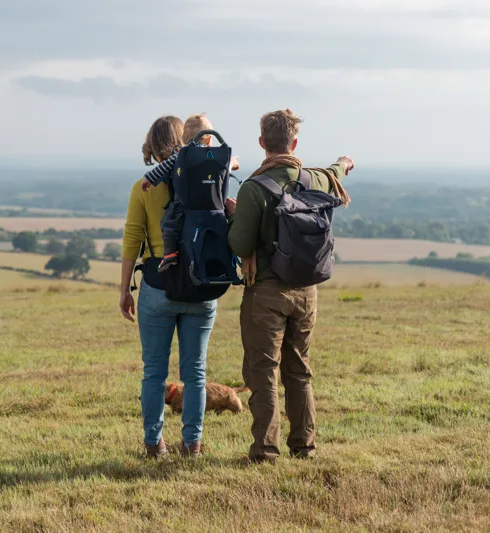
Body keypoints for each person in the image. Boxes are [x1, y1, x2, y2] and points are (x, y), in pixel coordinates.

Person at [226, 109, 354, 464]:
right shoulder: (314, 180)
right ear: (294, 142)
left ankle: (266, 451)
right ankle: (304, 447)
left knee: (263, 371)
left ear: (262, 143)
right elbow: (334, 174)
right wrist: (344, 163)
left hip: (266, 292)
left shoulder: (254, 188)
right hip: (307, 291)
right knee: (299, 371)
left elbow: (239, 244)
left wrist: (235, 215)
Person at [119, 114, 218, 458]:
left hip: (158, 284)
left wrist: (123, 290)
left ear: (151, 144)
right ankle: (192, 444)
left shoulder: (142, 187)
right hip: (200, 284)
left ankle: (153, 443)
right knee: (195, 372)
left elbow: (133, 239)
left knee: (154, 372)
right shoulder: (208, 178)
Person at [139, 113, 239, 272]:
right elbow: (228, 166)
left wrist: (148, 179)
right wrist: (233, 162)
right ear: (209, 139)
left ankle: (170, 253)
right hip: (213, 207)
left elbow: (164, 168)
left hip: (185, 206)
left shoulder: (183, 154)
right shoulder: (216, 157)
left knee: (168, 224)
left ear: (184, 137)